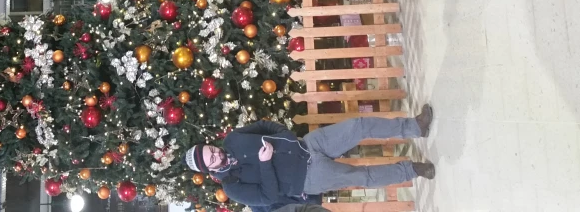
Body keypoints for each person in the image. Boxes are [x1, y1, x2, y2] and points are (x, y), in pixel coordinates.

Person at [184, 105, 435, 208]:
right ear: (210, 170)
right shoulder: (232, 188)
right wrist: (264, 164)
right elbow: (269, 197)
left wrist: (286, 135)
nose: (217, 152)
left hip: (308, 145)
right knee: (363, 175)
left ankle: (415, 127)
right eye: (212, 158)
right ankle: (413, 170)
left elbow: (263, 125)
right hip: (310, 177)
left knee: (358, 126)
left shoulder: (232, 140)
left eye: (211, 149)